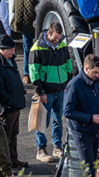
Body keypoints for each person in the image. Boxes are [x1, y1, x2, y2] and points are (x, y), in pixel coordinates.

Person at [28, 21, 72, 163]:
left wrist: (67, 84)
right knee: (42, 122)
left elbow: (68, 65)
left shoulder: (62, 45)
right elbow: (34, 73)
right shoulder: (37, 49)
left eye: (59, 38)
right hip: (46, 92)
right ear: (48, 33)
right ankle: (41, 149)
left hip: (61, 90)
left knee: (58, 121)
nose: (57, 40)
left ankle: (57, 147)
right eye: (55, 38)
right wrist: (41, 92)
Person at [0, 34, 28, 169]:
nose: (13, 52)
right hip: (7, 109)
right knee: (5, 137)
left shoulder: (10, 60)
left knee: (13, 135)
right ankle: (5, 163)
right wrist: (10, 102)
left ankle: (13, 159)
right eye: (10, 50)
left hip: (15, 106)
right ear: (2, 49)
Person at [11, 0, 43, 84]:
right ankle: (36, 74)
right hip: (34, 28)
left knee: (26, 50)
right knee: (37, 52)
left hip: (22, 27)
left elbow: (14, 9)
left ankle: (26, 74)